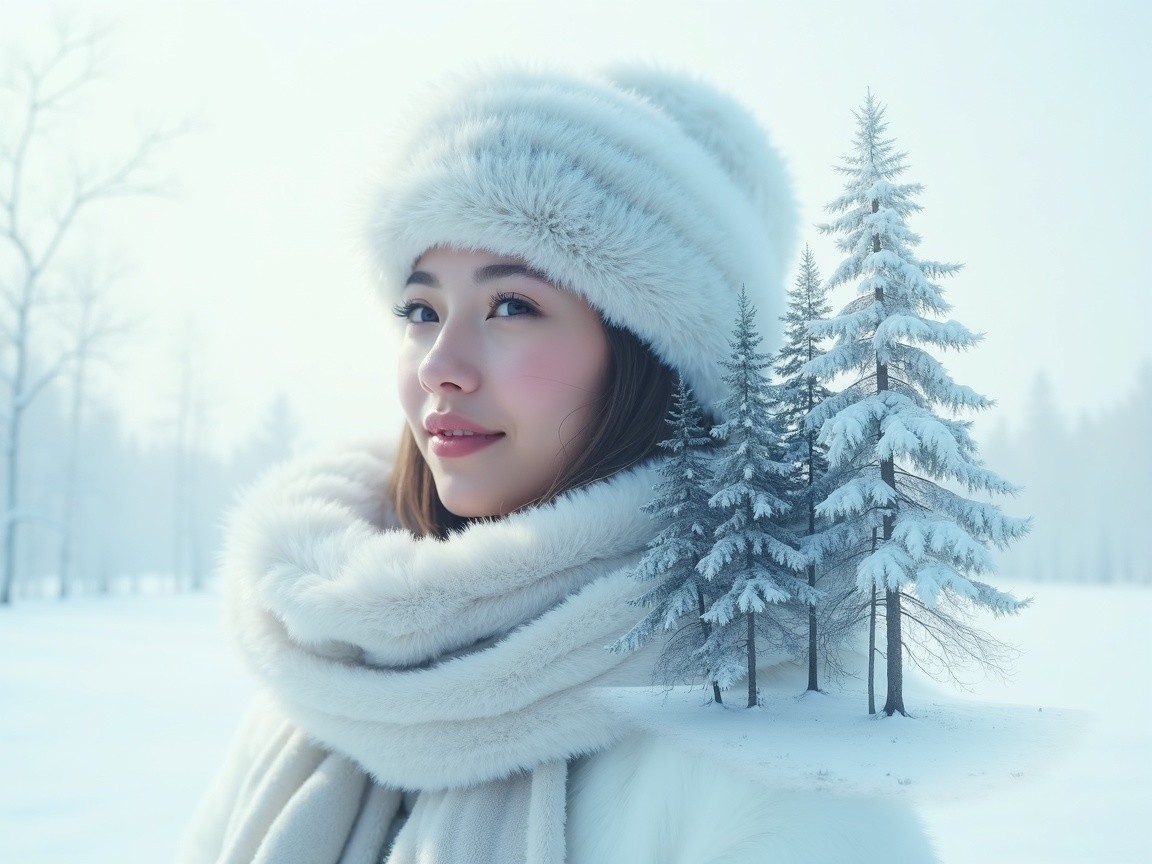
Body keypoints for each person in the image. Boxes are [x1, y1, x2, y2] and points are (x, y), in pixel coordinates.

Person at [178, 63, 939, 863]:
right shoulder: (332, 672)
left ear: (653, 361)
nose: (442, 363)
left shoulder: (768, 759)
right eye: (421, 309)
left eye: (513, 305)